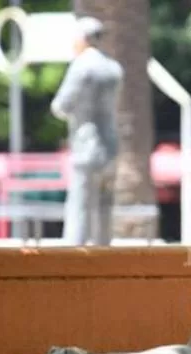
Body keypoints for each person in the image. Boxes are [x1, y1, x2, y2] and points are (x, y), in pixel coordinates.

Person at [51, 16, 123, 246]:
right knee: (104, 203)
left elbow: (62, 105)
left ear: (82, 39)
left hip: (86, 143)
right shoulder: (114, 68)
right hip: (111, 143)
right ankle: (104, 249)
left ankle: (76, 253)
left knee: (80, 202)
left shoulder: (81, 66)